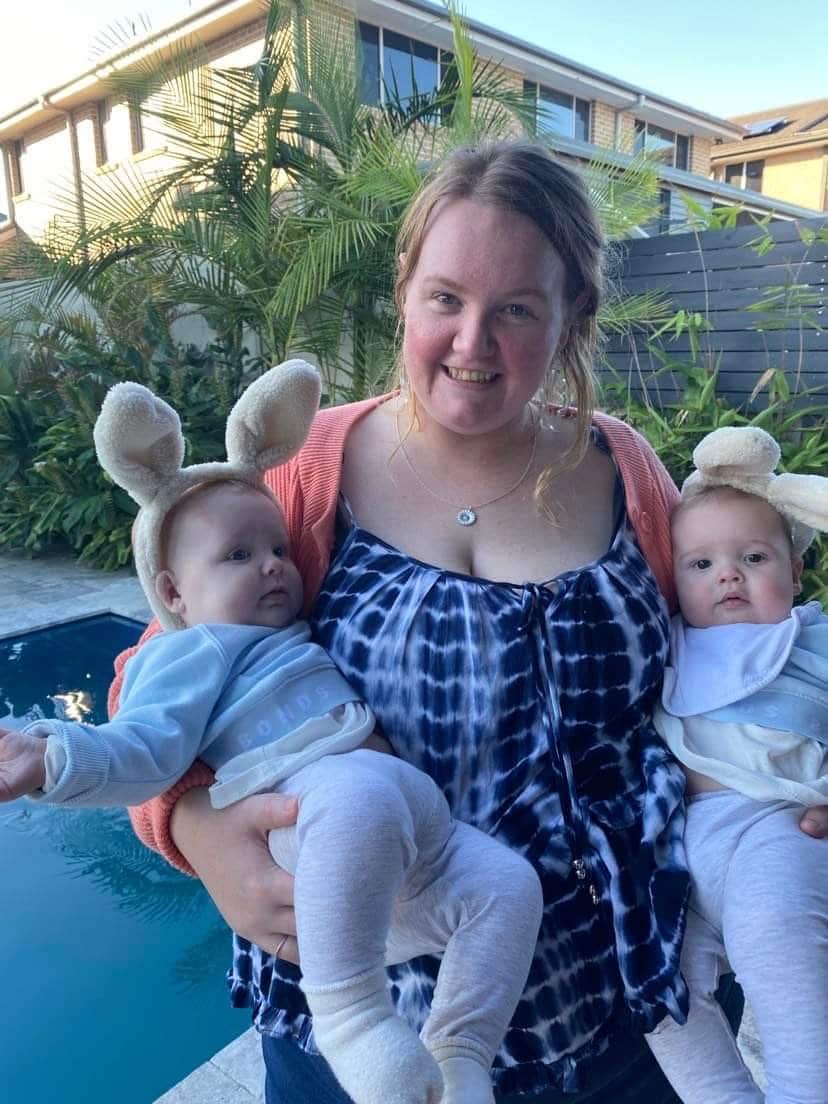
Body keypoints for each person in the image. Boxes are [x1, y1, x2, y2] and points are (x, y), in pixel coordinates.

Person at [114, 140, 828, 1103]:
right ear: (404, 292)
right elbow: (158, 669)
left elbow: (745, 646)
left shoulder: (628, 472)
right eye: (445, 298)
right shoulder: (304, 471)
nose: (472, 343)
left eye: (517, 310)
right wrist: (191, 825)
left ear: (572, 313)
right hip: (374, 1042)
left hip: (623, 1011)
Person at [0, 361, 544, 1104]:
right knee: (355, 793)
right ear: (170, 593)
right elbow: (144, 749)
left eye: (278, 549)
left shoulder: (288, 629)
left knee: (509, 886)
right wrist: (53, 754)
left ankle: (461, 1052)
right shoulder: (191, 649)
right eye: (237, 556)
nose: (272, 567)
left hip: (407, 826)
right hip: (313, 823)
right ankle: (352, 1019)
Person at [645, 426, 828, 1104]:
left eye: (754, 556)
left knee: (782, 963)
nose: (728, 573)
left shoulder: (810, 641)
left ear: (795, 569)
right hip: (683, 846)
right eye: (700, 564)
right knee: (658, 982)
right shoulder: (666, 644)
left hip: (778, 831)